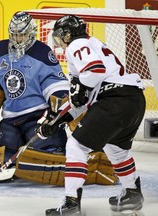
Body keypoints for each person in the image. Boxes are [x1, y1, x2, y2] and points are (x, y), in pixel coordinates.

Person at [37, 15, 146, 215]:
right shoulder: (93, 43)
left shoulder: (76, 45)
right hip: (134, 100)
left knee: (76, 145)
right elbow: (81, 101)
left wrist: (79, 89)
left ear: (68, 34)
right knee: (115, 148)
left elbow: (95, 71)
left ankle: (71, 202)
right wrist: (58, 120)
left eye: (60, 35)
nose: (59, 41)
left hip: (113, 101)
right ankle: (132, 192)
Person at [0, 11, 70, 164]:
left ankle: (51, 148)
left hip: (37, 117)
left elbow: (55, 85)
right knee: (2, 153)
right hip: (11, 119)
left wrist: (57, 110)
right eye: (15, 34)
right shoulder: (0, 50)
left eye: (22, 35)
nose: (18, 39)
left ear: (31, 33)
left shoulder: (42, 52)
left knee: (49, 150)